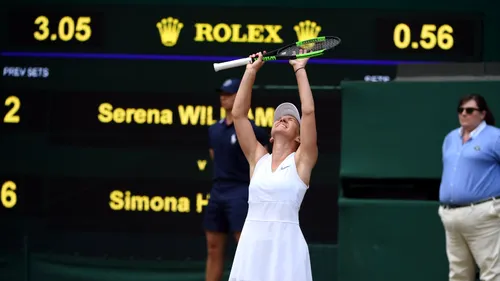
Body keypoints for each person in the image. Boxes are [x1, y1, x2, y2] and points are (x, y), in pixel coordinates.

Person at [228, 51, 317, 281]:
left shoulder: (302, 161)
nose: (283, 118)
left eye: (291, 119)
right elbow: (238, 115)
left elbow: (308, 111)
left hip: (286, 250)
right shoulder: (257, 159)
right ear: (270, 135)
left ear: (299, 138)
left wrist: (299, 69)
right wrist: (250, 71)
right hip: (252, 247)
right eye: (279, 117)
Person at [204, 78, 270, 281]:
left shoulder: (253, 131)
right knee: (214, 248)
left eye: (229, 94)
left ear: (240, 96)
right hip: (217, 192)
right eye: (221, 94)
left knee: (245, 249)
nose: (223, 97)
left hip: (242, 192)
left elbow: (263, 162)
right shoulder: (214, 130)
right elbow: (214, 155)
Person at [438, 93, 500, 281]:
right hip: (451, 215)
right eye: (461, 110)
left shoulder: (495, 137)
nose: (464, 114)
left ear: (482, 114)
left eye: (470, 110)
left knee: (492, 272)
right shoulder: (450, 138)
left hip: (483, 214)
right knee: (458, 273)